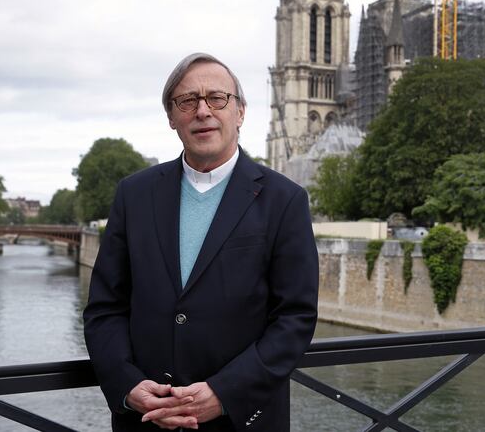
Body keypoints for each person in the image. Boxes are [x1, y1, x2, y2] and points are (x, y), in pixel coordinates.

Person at [83, 52, 319, 431]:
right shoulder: (133, 194)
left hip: (240, 420)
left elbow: (295, 318)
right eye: (187, 101)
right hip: (147, 420)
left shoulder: (285, 199)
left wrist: (225, 393)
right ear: (172, 118)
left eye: (217, 98)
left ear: (240, 111)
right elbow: (105, 309)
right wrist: (127, 385)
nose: (203, 110)